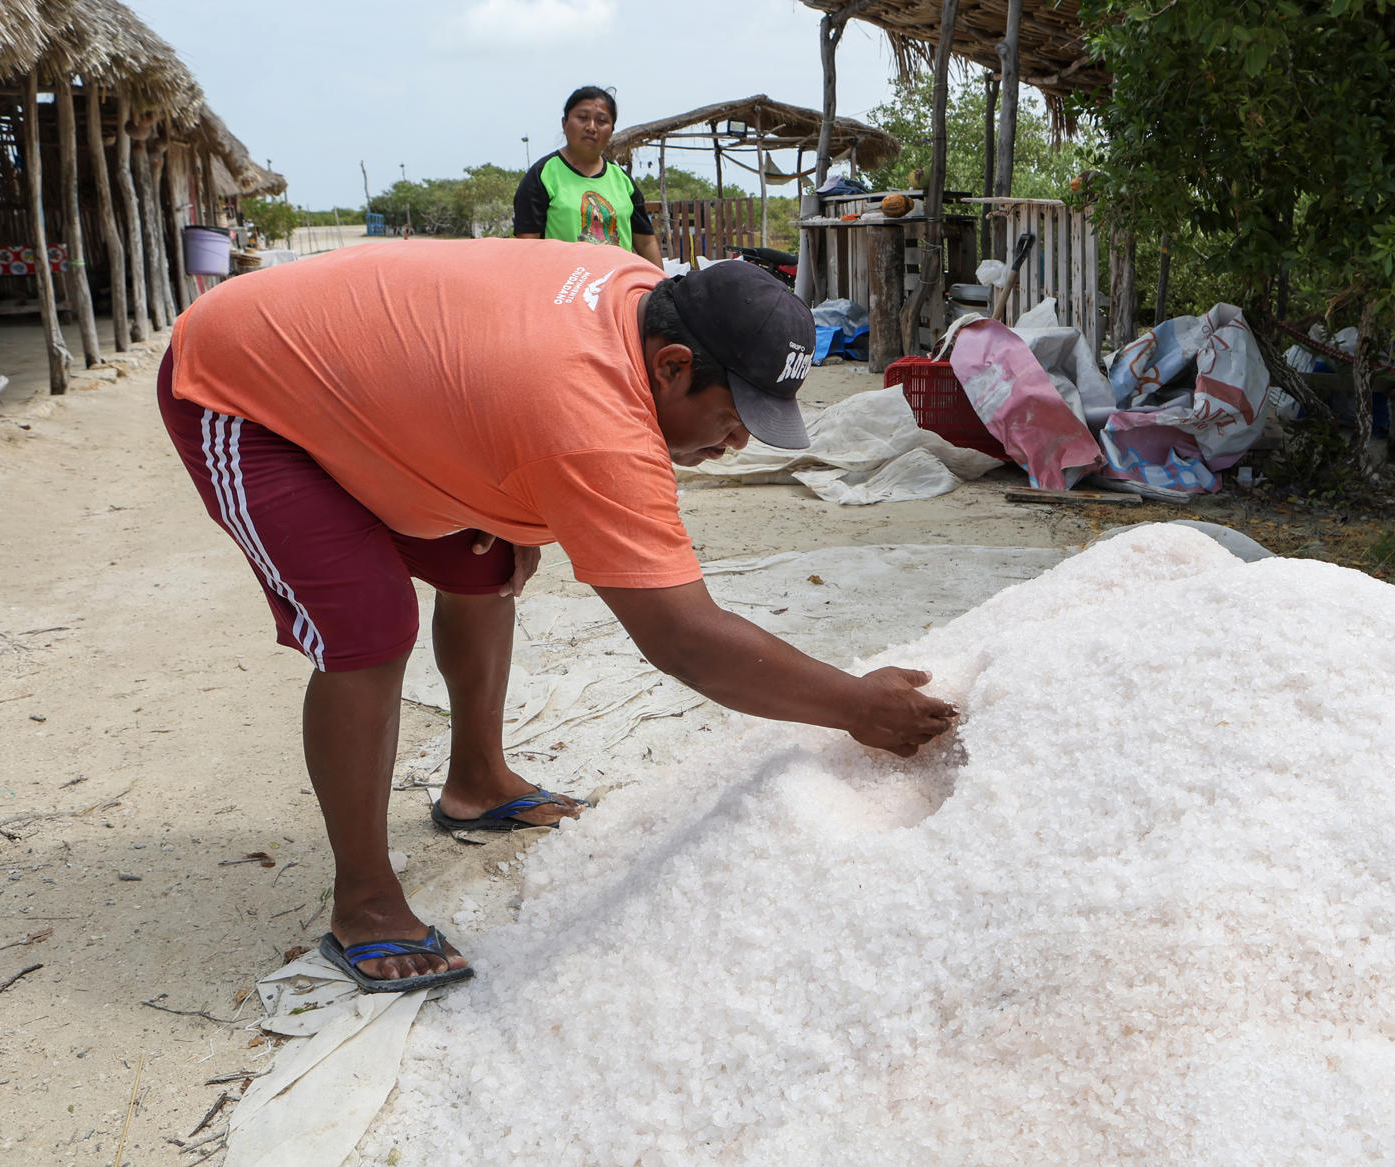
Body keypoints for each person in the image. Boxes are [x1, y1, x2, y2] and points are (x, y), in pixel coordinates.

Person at [159, 240, 953, 992]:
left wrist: (509, 515)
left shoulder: (637, 292)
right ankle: (364, 899)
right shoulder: (591, 419)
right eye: (735, 414)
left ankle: (475, 781)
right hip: (242, 387)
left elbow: (484, 366)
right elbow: (683, 639)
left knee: (486, 564)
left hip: (361, 376)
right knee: (366, 628)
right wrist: (853, 704)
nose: (740, 442)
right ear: (671, 368)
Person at [514, 86, 664, 265]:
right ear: (564, 123)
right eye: (582, 118)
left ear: (611, 130)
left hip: (616, 288)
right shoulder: (543, 175)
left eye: (601, 121)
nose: (591, 127)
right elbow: (526, 247)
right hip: (565, 290)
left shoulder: (623, 181)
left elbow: (646, 242)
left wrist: (664, 287)